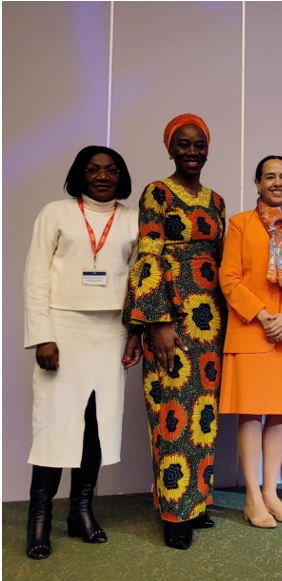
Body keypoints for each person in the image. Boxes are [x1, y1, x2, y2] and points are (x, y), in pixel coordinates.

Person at [23, 146, 141, 559]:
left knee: (96, 423)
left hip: (111, 330)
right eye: (93, 169)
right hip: (63, 327)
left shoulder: (132, 219)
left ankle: (81, 511)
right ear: (80, 173)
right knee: (56, 424)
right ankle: (39, 519)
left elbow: (141, 282)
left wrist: (135, 333)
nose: (103, 176)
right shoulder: (55, 212)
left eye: (111, 170)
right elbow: (35, 276)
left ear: (121, 176)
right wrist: (43, 335)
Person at [124, 114, 226, 549]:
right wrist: (157, 322)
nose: (191, 151)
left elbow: (224, 260)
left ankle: (196, 502)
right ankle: (174, 513)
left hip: (211, 319)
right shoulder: (157, 193)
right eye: (182, 144)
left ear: (207, 148)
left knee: (203, 413)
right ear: (170, 148)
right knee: (171, 412)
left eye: (198, 144)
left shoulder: (217, 200)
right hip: (172, 313)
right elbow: (147, 253)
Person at [219, 156, 282, 528]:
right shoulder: (240, 224)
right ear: (257, 184)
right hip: (251, 330)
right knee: (251, 410)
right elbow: (229, 277)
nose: (277, 182)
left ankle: (270, 493)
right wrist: (264, 315)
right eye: (269, 177)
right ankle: (251, 497)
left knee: (281, 410)